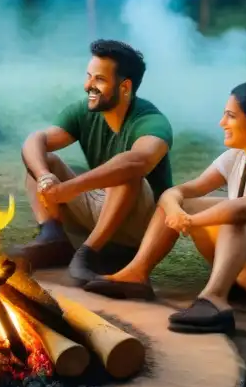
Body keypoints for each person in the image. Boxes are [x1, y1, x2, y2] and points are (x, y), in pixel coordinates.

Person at [86, 81, 246, 336]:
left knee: (236, 214)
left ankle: (214, 299)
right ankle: (136, 273)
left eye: (230, 115)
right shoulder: (237, 157)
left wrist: (190, 222)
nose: (222, 123)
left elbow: (244, 211)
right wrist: (176, 210)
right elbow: (179, 192)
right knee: (189, 203)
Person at [12, 40, 173, 284]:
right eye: (89, 77)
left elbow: (137, 162)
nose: (88, 86)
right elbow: (36, 140)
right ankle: (52, 236)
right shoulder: (85, 111)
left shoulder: (151, 121)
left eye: (99, 79)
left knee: (126, 173)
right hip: (100, 206)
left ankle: (88, 253)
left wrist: (70, 189)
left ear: (125, 86)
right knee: (43, 161)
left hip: (138, 227)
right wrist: (45, 177)